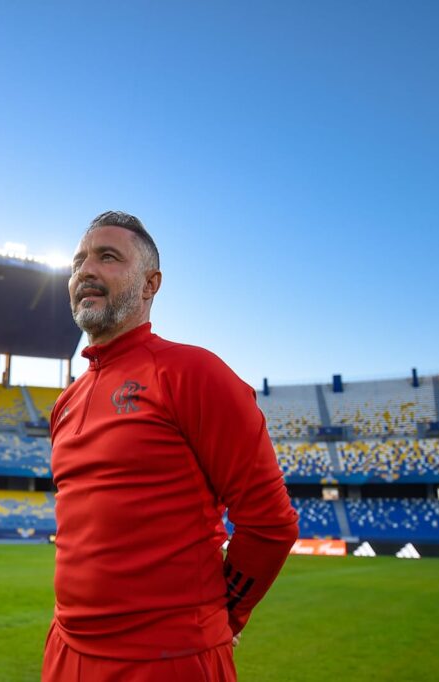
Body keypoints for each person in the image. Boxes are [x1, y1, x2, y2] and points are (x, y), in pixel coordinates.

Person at [43, 211, 299, 681]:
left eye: (107, 257)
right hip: (65, 653)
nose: (86, 271)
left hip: (169, 660)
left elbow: (270, 523)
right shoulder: (65, 404)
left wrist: (228, 614)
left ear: (149, 284)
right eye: (78, 261)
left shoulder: (192, 374)